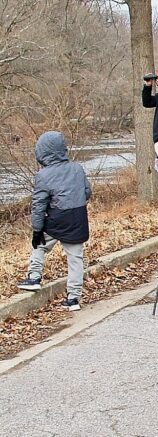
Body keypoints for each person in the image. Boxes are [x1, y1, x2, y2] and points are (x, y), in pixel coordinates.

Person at [17, 131, 92, 311]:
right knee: (75, 258)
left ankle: (34, 277)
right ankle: (73, 298)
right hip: (77, 219)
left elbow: (38, 206)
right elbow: (87, 192)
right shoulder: (77, 168)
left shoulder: (44, 175)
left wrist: (37, 230)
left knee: (40, 245)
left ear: (42, 152)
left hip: (57, 220)